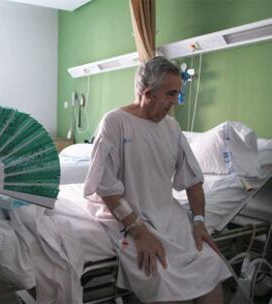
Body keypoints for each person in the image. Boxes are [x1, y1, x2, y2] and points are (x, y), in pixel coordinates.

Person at [83, 56, 231, 303]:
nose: (175, 102)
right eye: (171, 94)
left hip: (168, 215)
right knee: (161, 279)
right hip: (127, 217)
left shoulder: (172, 127)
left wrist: (199, 221)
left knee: (209, 267)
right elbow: (107, 188)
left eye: (178, 94)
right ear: (149, 93)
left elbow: (193, 181)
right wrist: (138, 231)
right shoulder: (115, 123)